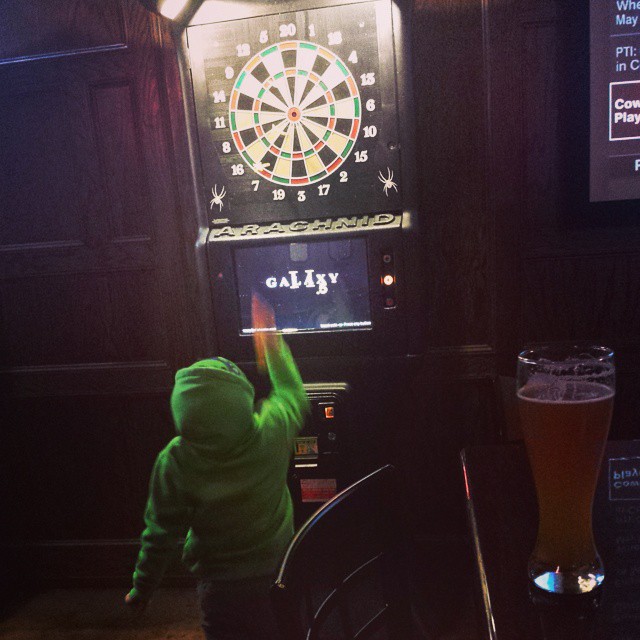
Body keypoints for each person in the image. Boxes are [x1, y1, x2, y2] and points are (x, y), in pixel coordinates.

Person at [125, 295, 310, 640]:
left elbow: (159, 534)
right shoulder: (270, 433)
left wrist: (142, 589)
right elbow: (293, 393)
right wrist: (270, 339)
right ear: (243, 401)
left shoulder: (176, 461)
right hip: (279, 570)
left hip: (219, 588)